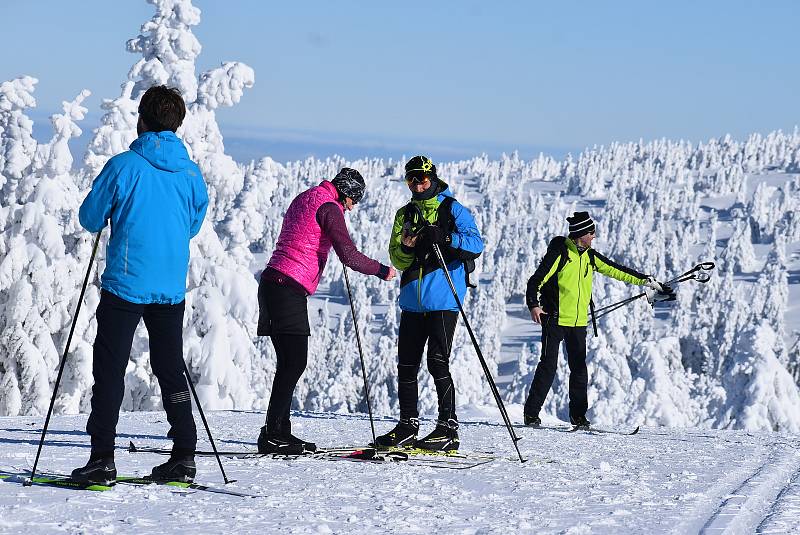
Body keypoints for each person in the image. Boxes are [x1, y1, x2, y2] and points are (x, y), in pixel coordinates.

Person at [72, 86, 209, 485]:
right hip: (170, 287)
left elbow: (90, 218)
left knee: (110, 370)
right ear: (177, 124)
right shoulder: (190, 173)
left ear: (142, 119)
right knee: (170, 369)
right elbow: (193, 224)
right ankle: (184, 454)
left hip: (126, 284)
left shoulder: (124, 165)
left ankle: (102, 459)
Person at [256, 168, 396, 454]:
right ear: (346, 193)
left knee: (289, 362)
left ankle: (279, 431)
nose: (353, 206)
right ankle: (273, 434)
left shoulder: (307, 197)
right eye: (354, 200)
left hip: (274, 283)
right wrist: (382, 270)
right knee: (294, 362)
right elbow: (349, 255)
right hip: (288, 286)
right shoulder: (330, 207)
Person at [374, 155, 483, 452]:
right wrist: (408, 248)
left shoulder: (453, 209)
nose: (417, 185)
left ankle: (448, 428)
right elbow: (397, 258)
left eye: (422, 179)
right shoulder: (404, 214)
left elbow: (477, 244)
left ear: (433, 179)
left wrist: (446, 238)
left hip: (445, 298)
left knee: (437, 362)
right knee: (406, 366)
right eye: (411, 179)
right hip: (412, 300)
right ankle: (407, 425)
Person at [523, 211, 669, 428]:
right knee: (548, 367)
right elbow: (536, 280)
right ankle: (531, 414)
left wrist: (646, 281)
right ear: (581, 234)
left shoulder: (590, 256)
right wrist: (534, 305)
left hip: (578, 322)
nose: (594, 236)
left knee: (579, 370)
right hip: (554, 319)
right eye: (591, 233)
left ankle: (579, 417)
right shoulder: (560, 254)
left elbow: (617, 270)